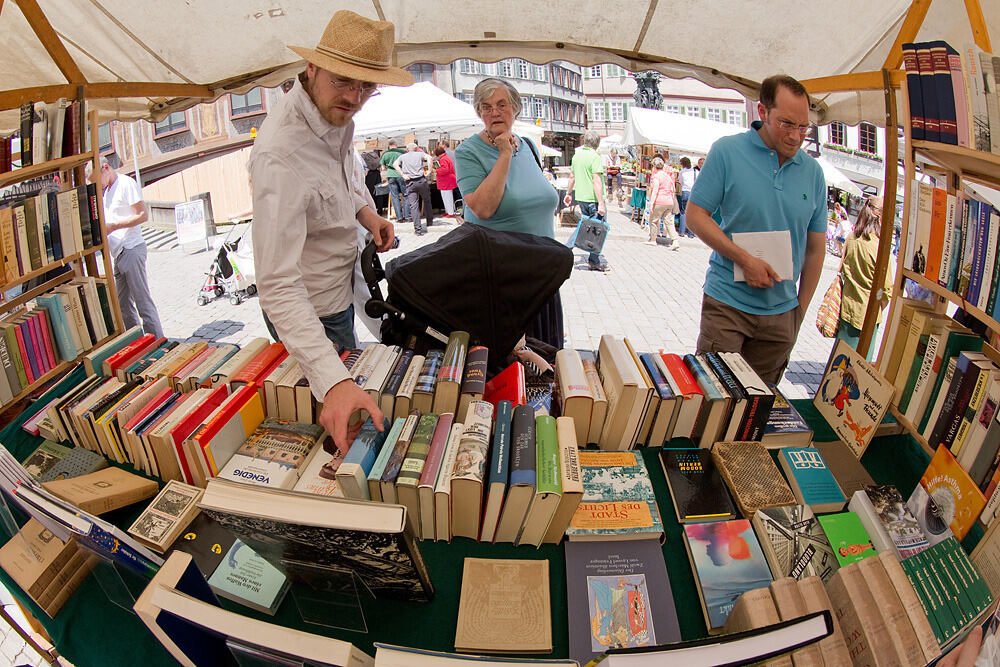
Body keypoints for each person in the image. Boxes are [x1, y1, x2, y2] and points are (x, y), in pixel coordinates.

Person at [248, 9, 409, 452]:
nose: (355, 97)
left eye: (366, 86)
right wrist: (332, 381)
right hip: (310, 310)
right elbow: (276, 285)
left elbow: (334, 186)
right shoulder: (280, 155)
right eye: (344, 80)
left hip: (339, 294)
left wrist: (367, 214)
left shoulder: (334, 114)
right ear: (312, 68)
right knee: (339, 429)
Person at [686, 74, 827, 384]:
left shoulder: (814, 173)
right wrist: (744, 259)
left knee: (756, 410)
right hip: (727, 307)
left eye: (803, 127)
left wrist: (798, 314)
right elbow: (695, 216)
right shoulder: (727, 152)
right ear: (762, 112)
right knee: (715, 398)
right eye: (786, 124)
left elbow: (817, 249)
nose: (795, 136)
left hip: (781, 316)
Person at [455, 78, 563, 350]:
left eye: (502, 105)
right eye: (486, 106)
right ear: (479, 112)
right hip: (503, 279)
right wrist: (503, 153)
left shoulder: (528, 146)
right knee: (515, 361)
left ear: (515, 109)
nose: (494, 112)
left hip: (543, 271)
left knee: (545, 354)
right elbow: (482, 208)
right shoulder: (468, 152)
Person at [86, 157, 163, 338]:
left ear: (106, 168)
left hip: (131, 247)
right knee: (123, 306)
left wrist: (113, 226)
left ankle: (158, 342)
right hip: (119, 252)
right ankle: (139, 343)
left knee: (142, 301)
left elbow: (143, 215)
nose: (98, 185)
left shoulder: (125, 184)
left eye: (97, 179)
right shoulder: (107, 192)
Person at [837, 197, 892, 360]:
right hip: (867, 315)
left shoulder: (852, 238)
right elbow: (887, 289)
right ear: (881, 217)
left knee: (840, 359)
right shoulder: (879, 247)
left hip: (847, 308)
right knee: (859, 365)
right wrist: (880, 306)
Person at [565, 130, 608, 272]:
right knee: (597, 230)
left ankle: (567, 251)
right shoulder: (595, 157)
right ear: (597, 143)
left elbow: (572, 176)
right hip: (593, 199)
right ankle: (592, 260)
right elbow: (597, 180)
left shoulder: (577, 156)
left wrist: (568, 193)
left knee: (584, 225)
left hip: (581, 197)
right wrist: (601, 202)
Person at [394, 142, 433, 235]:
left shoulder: (403, 156)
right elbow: (430, 158)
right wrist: (430, 170)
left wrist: (403, 174)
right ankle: (429, 222)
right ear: (416, 149)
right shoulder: (420, 154)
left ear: (407, 150)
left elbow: (395, 164)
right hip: (421, 180)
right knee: (427, 200)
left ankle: (418, 229)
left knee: (414, 206)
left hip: (410, 182)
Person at [644, 157, 680, 250]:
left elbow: (655, 190)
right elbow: (673, 189)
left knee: (654, 220)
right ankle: (675, 240)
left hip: (659, 201)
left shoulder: (656, 177)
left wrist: (651, 203)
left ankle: (653, 240)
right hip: (669, 201)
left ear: (654, 167)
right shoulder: (668, 176)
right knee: (668, 222)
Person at [380, 140, 408, 222]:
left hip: (391, 175)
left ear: (389, 146)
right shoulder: (402, 152)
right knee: (405, 195)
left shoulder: (385, 154)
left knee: (395, 197)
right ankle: (408, 216)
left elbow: (383, 168)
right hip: (401, 174)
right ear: (396, 145)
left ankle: (399, 217)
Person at [433, 145, 458, 218]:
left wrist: (436, 170)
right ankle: (449, 211)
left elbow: (444, 170)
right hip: (449, 180)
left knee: (447, 197)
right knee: (448, 197)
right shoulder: (446, 158)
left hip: (446, 181)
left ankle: (450, 213)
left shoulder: (443, 159)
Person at [677, 156, 697, 237]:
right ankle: (691, 233)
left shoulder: (682, 172)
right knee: (692, 213)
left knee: (683, 212)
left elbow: (680, 182)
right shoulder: (695, 171)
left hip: (685, 191)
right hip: (693, 193)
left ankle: (682, 231)